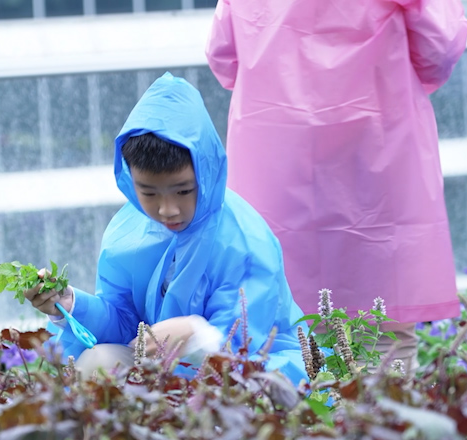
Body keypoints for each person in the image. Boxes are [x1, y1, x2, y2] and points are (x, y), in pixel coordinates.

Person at [205, 0, 467, 364]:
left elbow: (223, 58)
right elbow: (439, 48)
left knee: (290, 341)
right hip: (378, 146)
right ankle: (383, 416)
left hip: (277, 153)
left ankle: (306, 416)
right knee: (384, 338)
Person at [24, 73, 308, 386]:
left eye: (183, 191)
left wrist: (195, 334)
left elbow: (245, 347)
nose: (167, 209)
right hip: (167, 376)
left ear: (207, 174)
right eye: (148, 192)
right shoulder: (129, 231)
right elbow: (126, 325)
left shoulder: (244, 241)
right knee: (99, 364)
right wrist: (71, 305)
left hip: (255, 376)